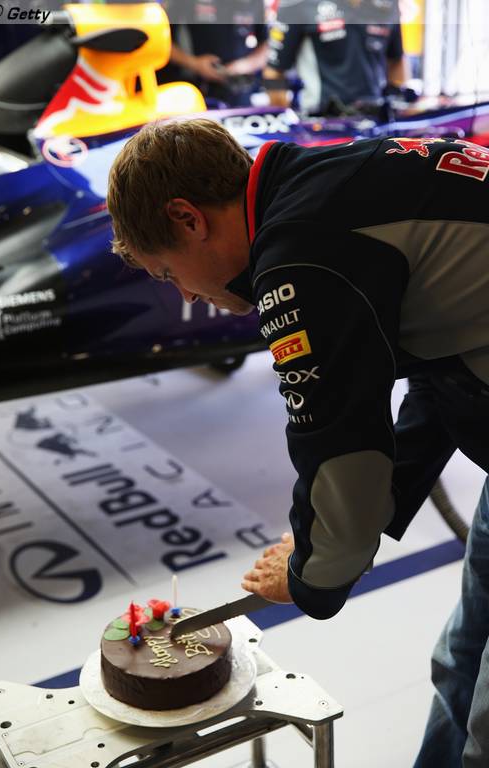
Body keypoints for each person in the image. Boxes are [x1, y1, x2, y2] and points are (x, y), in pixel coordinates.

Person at [107, 119, 489, 766]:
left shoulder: (301, 252)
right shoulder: (329, 182)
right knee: (463, 660)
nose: (187, 294)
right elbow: (441, 370)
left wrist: (314, 572)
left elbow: (341, 444)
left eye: (168, 272)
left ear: (187, 218)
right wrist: (324, 538)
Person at [264, 0, 408, 112]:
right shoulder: (297, 4)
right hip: (321, 124)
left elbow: (396, 61)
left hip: (376, 123)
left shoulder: (388, 3)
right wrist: (289, 124)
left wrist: (395, 104)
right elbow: (274, 72)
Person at [157, 0, 269, 107]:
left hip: (239, 90)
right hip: (195, 92)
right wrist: (194, 63)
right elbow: (159, 41)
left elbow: (267, 45)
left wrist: (245, 65)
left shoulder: (256, 2)